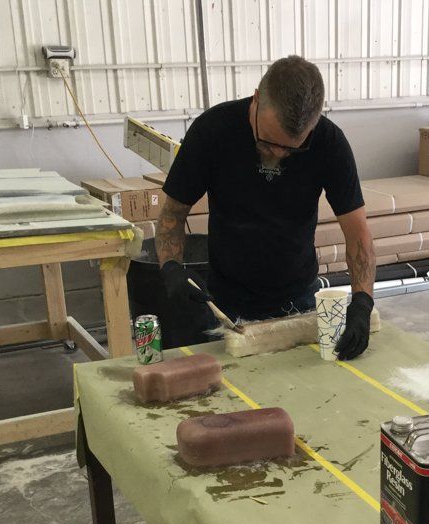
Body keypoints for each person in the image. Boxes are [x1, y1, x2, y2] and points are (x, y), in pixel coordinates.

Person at [155, 55, 376, 360]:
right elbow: (172, 214)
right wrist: (171, 269)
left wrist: (363, 302)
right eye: (269, 141)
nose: (279, 154)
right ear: (257, 99)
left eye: (292, 148)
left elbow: (357, 232)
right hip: (223, 302)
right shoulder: (212, 131)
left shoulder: (329, 143)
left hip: (299, 300)